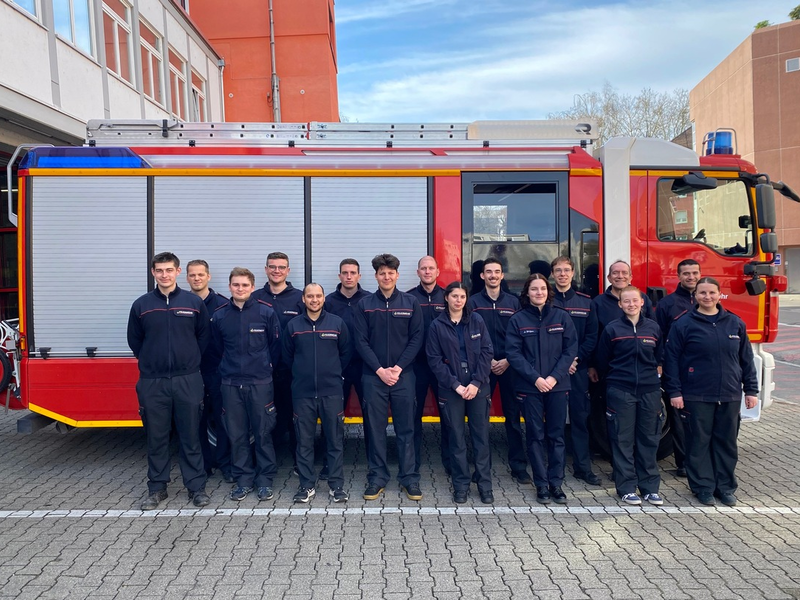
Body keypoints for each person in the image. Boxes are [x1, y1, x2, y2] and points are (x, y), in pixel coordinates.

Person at [664, 277, 759, 507]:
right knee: (698, 443)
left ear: (719, 294)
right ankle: (703, 487)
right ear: (695, 296)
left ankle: (725, 487)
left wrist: (751, 390)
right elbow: (672, 360)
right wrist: (674, 392)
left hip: (729, 394)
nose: (707, 297)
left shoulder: (735, 323)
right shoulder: (683, 324)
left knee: (727, 443)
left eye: (711, 293)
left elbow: (746, 360)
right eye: (702, 293)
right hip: (697, 395)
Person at [127, 252, 211, 510]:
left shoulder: (193, 303)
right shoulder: (141, 305)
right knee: (157, 436)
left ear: (177, 272)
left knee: (190, 436)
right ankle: (157, 488)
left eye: (169, 270)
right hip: (153, 382)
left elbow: (203, 338)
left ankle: (196, 488)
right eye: (159, 270)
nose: (164, 275)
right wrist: (154, 362)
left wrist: (188, 361)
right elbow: (135, 341)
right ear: (153, 273)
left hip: (188, 380)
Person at [354, 253, 424, 501]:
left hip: (403, 377)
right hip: (373, 378)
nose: (386, 276)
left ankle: (409, 478)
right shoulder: (364, 304)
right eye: (382, 273)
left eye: (390, 272)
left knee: (406, 429)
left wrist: (397, 368)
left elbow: (417, 338)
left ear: (397, 274)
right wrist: (380, 370)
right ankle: (377, 477)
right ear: (376, 276)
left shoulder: (410, 302)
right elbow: (360, 341)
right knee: (375, 430)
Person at [506, 274, 578, 504]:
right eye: (534, 289)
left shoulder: (562, 317)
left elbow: (570, 350)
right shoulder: (517, 320)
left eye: (543, 289)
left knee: (556, 436)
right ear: (527, 293)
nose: (539, 293)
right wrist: (536, 378)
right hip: (530, 387)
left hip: (557, 386)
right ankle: (541, 485)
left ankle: (556, 484)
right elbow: (514, 354)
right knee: (535, 436)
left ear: (549, 292)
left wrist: (554, 378)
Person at [211, 267, 281, 502]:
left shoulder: (266, 312)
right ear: (230, 287)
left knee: (263, 433)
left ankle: (264, 480)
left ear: (252, 287)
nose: (240, 289)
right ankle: (243, 480)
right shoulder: (220, 316)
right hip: (230, 384)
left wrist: (264, 369)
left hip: (260, 383)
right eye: (235, 285)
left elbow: (276, 348)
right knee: (237, 435)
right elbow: (217, 348)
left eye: (244, 285)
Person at [595, 286, 665, 506]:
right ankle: (626, 488)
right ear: (620, 304)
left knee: (649, 440)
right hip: (621, 391)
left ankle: (649, 488)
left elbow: (660, 357)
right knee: (622, 440)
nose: (631, 304)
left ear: (642, 302)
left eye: (635, 300)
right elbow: (602, 360)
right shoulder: (612, 329)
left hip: (649, 391)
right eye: (626, 301)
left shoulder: (653, 328)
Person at [426, 282, 494, 504]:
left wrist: (475, 383)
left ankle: (485, 486)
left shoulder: (477, 321)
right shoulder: (437, 325)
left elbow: (487, 352)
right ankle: (461, 485)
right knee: (456, 439)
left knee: (481, 438)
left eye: (462, 296)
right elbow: (434, 360)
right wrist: (455, 385)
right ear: (446, 298)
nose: (459, 300)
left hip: (478, 386)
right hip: (451, 388)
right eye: (454, 296)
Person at [284, 283, 351, 503]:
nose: (314, 300)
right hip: (302, 393)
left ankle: (336, 485)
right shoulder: (293, 326)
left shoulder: (337, 324)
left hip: (331, 392)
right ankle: (306, 486)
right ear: (303, 299)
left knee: (334, 440)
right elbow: (287, 357)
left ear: (324, 298)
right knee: (304, 442)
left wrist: (333, 376)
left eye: (318, 296)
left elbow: (345, 354)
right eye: (310, 296)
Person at [467, 258, 531, 485]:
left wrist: (506, 360)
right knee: (480, 421)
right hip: (483, 369)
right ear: (482, 276)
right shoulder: (473, 303)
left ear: (502, 275)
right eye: (488, 272)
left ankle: (518, 467)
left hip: (509, 367)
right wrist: (489, 361)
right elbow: (470, 338)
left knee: (513, 418)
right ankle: (481, 469)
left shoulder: (513, 303)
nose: (493, 275)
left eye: (497, 272)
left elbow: (521, 336)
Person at [550, 256, 601, 485]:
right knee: (554, 422)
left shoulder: (586, 302)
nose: (562, 274)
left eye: (566, 270)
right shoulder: (545, 301)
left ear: (573, 273)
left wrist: (574, 359)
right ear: (553, 274)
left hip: (577, 370)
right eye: (558, 270)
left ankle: (582, 467)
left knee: (580, 419)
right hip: (552, 371)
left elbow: (592, 336)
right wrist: (562, 362)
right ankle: (554, 468)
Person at [252, 252, 304, 464]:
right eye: (272, 267)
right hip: (262, 372)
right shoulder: (255, 298)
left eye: (281, 267)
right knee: (264, 419)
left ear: (288, 271)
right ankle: (266, 465)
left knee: (295, 419)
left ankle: (297, 461)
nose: (276, 271)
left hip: (292, 371)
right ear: (266, 269)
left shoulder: (300, 298)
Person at [186, 259, 232, 483]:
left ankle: (224, 463)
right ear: (187, 278)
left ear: (208, 276)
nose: (197, 278)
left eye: (201, 274)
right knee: (196, 421)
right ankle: (203, 466)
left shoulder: (223, 305)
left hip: (218, 372)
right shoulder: (181, 303)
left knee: (222, 419)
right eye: (193, 275)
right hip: (191, 373)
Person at [655, 258, 701, 478]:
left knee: (701, 417)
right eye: (686, 273)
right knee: (678, 418)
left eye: (694, 273)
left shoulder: (708, 301)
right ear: (679, 276)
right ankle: (683, 463)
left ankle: (701, 461)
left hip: (702, 370)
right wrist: (661, 363)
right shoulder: (667, 304)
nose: (690, 277)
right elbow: (659, 336)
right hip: (676, 368)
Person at [324, 258, 372, 469]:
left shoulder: (370, 300)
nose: (349, 276)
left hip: (366, 366)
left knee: (371, 415)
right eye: (345, 273)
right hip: (337, 367)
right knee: (333, 417)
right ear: (339, 276)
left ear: (359, 276)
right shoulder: (328, 302)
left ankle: (374, 460)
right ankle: (331, 463)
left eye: (353, 272)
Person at [406, 256, 449, 475]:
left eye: (431, 268)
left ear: (438, 272)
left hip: (444, 367)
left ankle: (450, 462)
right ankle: (413, 464)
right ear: (418, 272)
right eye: (423, 268)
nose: (427, 271)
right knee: (414, 416)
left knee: (449, 416)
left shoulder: (447, 297)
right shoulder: (409, 298)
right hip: (417, 366)